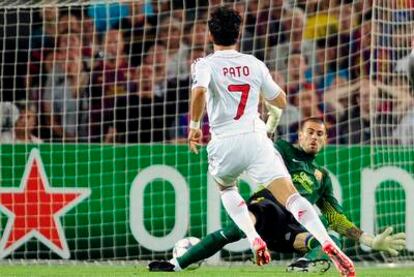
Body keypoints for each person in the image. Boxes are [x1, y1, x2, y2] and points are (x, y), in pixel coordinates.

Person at [187, 6, 354, 275]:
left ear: (210, 34)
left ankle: (253, 238)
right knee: (292, 197)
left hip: (225, 141)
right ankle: (325, 242)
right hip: (256, 138)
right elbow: (281, 101)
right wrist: (269, 116)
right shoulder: (254, 64)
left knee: (227, 189)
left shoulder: (205, 63)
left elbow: (199, 93)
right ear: (239, 33)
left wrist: (194, 127)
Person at [148, 117, 406, 273]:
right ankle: (176, 264)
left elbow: (335, 216)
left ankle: (305, 262)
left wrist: (370, 241)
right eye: (310, 132)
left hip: (290, 231)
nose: (314, 138)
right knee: (241, 225)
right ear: (300, 135)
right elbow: (262, 143)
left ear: (325, 140)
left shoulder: (321, 177)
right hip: (266, 209)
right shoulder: (281, 149)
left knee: (325, 228)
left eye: (320, 134)